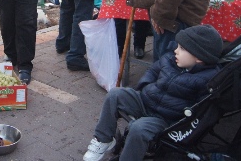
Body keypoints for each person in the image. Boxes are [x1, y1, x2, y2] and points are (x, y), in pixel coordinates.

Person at [83, 25, 223, 161]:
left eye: (182, 49)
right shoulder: (170, 59)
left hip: (165, 118)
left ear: (199, 58)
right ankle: (103, 139)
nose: (176, 51)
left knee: (139, 129)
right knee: (115, 94)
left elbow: (203, 112)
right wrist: (145, 87)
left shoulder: (207, 79)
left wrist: (181, 127)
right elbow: (152, 71)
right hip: (146, 100)